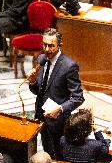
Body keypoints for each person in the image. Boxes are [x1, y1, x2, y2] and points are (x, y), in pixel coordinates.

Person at [28, 28, 85, 159]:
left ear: (60, 45)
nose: (47, 49)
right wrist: (32, 82)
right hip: (41, 116)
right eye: (44, 45)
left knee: (59, 156)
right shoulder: (41, 59)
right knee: (48, 151)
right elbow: (38, 91)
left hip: (58, 122)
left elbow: (78, 97)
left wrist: (59, 109)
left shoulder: (69, 66)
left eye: (51, 46)